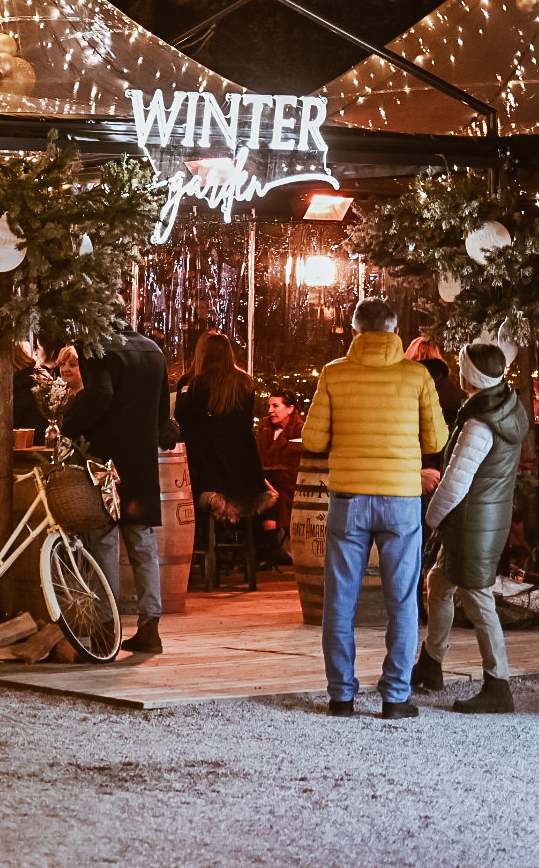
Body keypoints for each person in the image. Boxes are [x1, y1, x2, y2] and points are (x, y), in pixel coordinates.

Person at [303, 298, 448, 719]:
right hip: (401, 500)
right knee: (402, 600)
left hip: (348, 499)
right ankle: (396, 697)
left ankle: (341, 696)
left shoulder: (333, 373)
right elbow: (436, 439)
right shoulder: (417, 375)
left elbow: (313, 440)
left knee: (339, 600)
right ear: (394, 329)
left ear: (354, 330)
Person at [411, 344, 529, 714]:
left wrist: (431, 519)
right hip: (485, 519)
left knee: (478, 599)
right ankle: (431, 664)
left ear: (471, 376)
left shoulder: (480, 422)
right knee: (439, 583)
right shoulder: (505, 404)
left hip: (470, 521)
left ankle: (498, 684)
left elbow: (456, 482)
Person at [61, 322, 176, 653]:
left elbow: (100, 395)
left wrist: (70, 424)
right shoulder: (153, 349)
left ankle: (105, 627)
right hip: (141, 459)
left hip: (106, 461)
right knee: (142, 542)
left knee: (104, 540)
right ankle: (150, 627)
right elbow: (160, 414)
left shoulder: (97, 347)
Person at [175, 332, 272, 529]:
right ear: (230, 353)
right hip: (244, 471)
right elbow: (245, 422)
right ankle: (255, 546)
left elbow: (183, 417)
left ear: (206, 354)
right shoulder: (245, 382)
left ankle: (203, 540)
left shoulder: (198, 383)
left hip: (210, 470)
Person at [256, 390, 305, 533]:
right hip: (264, 483)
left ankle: (272, 545)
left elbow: (294, 469)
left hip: (288, 487)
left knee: (270, 501)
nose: (270, 410)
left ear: (290, 409)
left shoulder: (300, 432)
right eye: (269, 406)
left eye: (275, 406)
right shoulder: (264, 428)